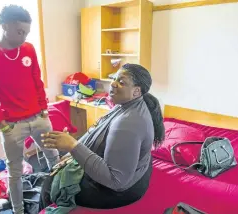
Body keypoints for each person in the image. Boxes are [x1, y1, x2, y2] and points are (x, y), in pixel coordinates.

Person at [39, 63, 165, 210]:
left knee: (50, 183)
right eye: (114, 78)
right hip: (135, 170)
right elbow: (94, 131)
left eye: (121, 82)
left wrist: (72, 146)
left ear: (136, 91)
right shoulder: (127, 104)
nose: (113, 83)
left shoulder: (127, 124)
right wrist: (70, 152)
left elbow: (116, 181)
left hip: (119, 190)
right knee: (58, 170)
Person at [0, 5, 60, 214]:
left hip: (39, 117)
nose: (23, 37)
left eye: (26, 33)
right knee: (15, 172)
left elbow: (37, 81)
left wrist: (44, 111)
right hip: (12, 125)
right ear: (5, 26)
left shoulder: (28, 49)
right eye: (19, 32)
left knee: (54, 157)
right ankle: (18, 210)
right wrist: (2, 125)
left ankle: (57, 197)